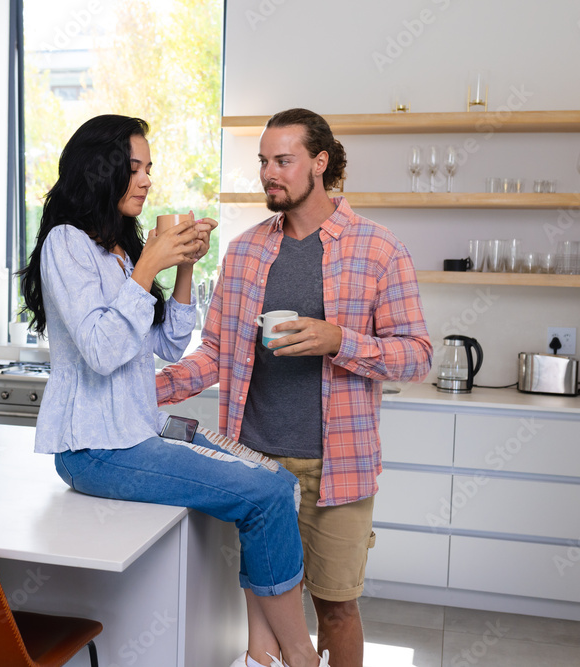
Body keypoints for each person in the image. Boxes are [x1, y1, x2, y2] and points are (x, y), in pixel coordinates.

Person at [19, 114, 330, 667]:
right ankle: (299, 655)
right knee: (268, 494)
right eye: (133, 168)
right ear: (100, 171)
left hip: (138, 429)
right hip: (96, 447)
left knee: (273, 480)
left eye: (148, 169)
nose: (145, 180)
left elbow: (168, 342)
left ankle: (263, 654)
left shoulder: (117, 249)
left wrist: (183, 265)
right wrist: (149, 266)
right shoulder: (66, 244)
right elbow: (101, 349)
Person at [157, 108, 433, 667]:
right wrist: (143, 389)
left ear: (320, 163)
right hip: (254, 465)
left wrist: (340, 340)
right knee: (263, 608)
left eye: (283, 161)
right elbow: (214, 354)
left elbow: (417, 356)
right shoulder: (246, 251)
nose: (268, 173)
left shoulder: (378, 250)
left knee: (335, 610)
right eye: (264, 161)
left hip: (337, 467)